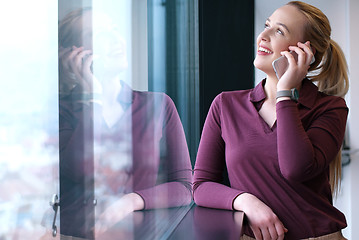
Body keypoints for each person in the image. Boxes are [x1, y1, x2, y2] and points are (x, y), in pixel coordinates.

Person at [193, 1, 348, 240]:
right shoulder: (225, 105)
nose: (262, 36)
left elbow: (295, 168)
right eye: (267, 25)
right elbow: (201, 186)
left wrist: (285, 93)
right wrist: (245, 201)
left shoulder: (330, 108)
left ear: (304, 52)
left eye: (279, 31)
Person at [51, 7, 192, 239]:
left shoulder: (157, 105)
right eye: (100, 34)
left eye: (115, 30)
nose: (116, 40)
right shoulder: (59, 111)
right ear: (75, 54)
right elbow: (78, 171)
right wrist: (93, 99)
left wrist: (131, 201)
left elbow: (186, 187)